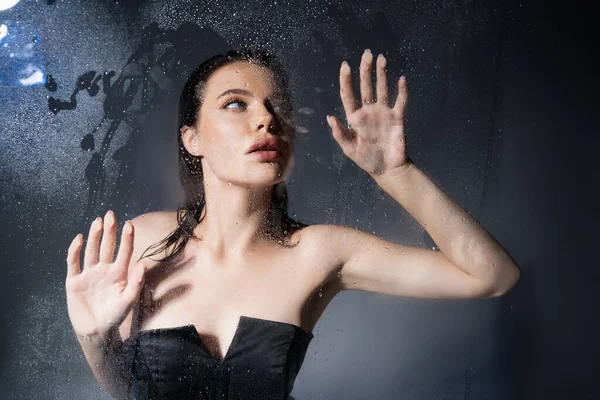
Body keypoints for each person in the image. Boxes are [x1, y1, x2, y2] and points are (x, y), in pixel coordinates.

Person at [65, 48, 520, 399]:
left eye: (276, 106)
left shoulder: (319, 253)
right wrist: (94, 338)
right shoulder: (143, 241)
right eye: (235, 104)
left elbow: (492, 276)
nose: (266, 118)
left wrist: (395, 174)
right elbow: (127, 391)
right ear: (192, 138)